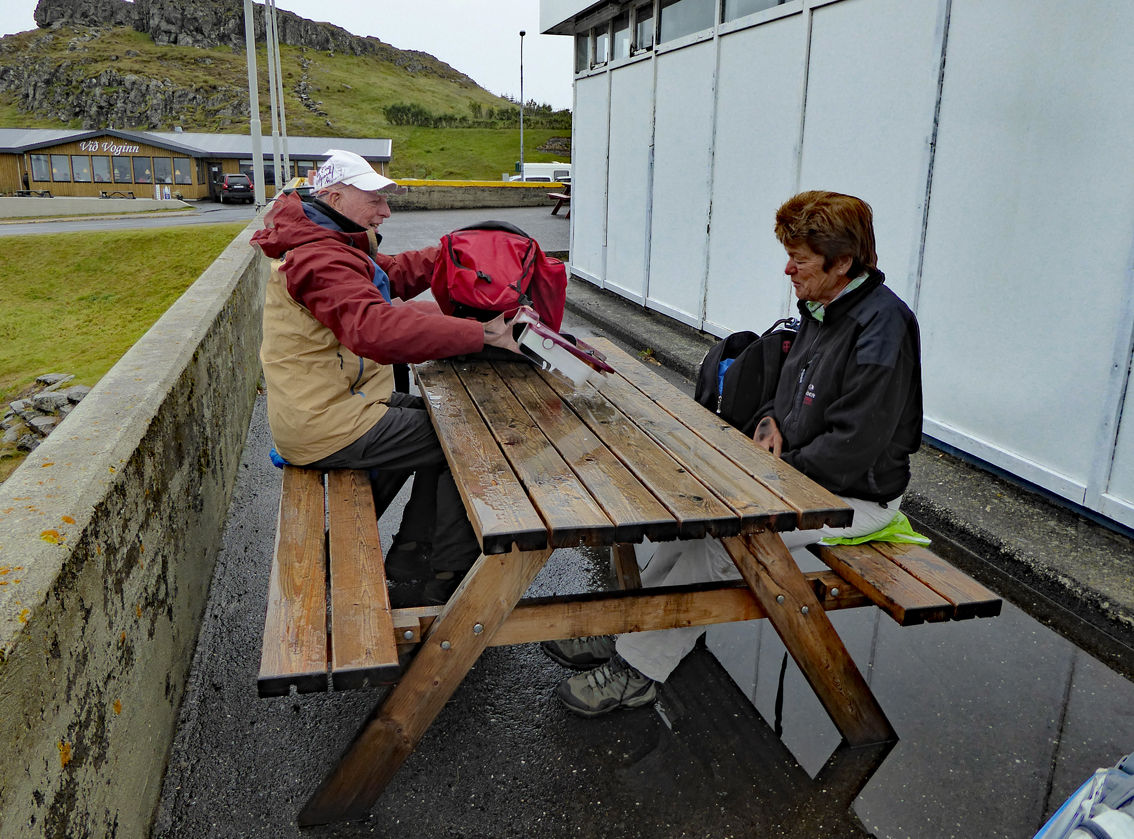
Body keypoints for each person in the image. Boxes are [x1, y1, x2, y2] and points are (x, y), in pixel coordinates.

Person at [544, 190, 923, 716]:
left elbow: (855, 446)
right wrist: (768, 421)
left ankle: (638, 669)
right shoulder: (823, 306)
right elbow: (785, 387)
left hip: (852, 497)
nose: (788, 269)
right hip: (797, 477)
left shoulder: (883, 328)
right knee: (692, 529)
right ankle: (625, 631)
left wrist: (770, 477)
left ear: (842, 263)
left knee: (730, 540)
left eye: (801, 259)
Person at [252, 149, 521, 605]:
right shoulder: (318, 257)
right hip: (325, 422)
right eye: (374, 199)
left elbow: (386, 275)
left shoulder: (328, 239)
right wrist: (483, 334)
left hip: (334, 404)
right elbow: (374, 327)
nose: (386, 210)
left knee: (447, 420)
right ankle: (444, 574)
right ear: (335, 196)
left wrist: (451, 254)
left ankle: (413, 554)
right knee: (471, 438)